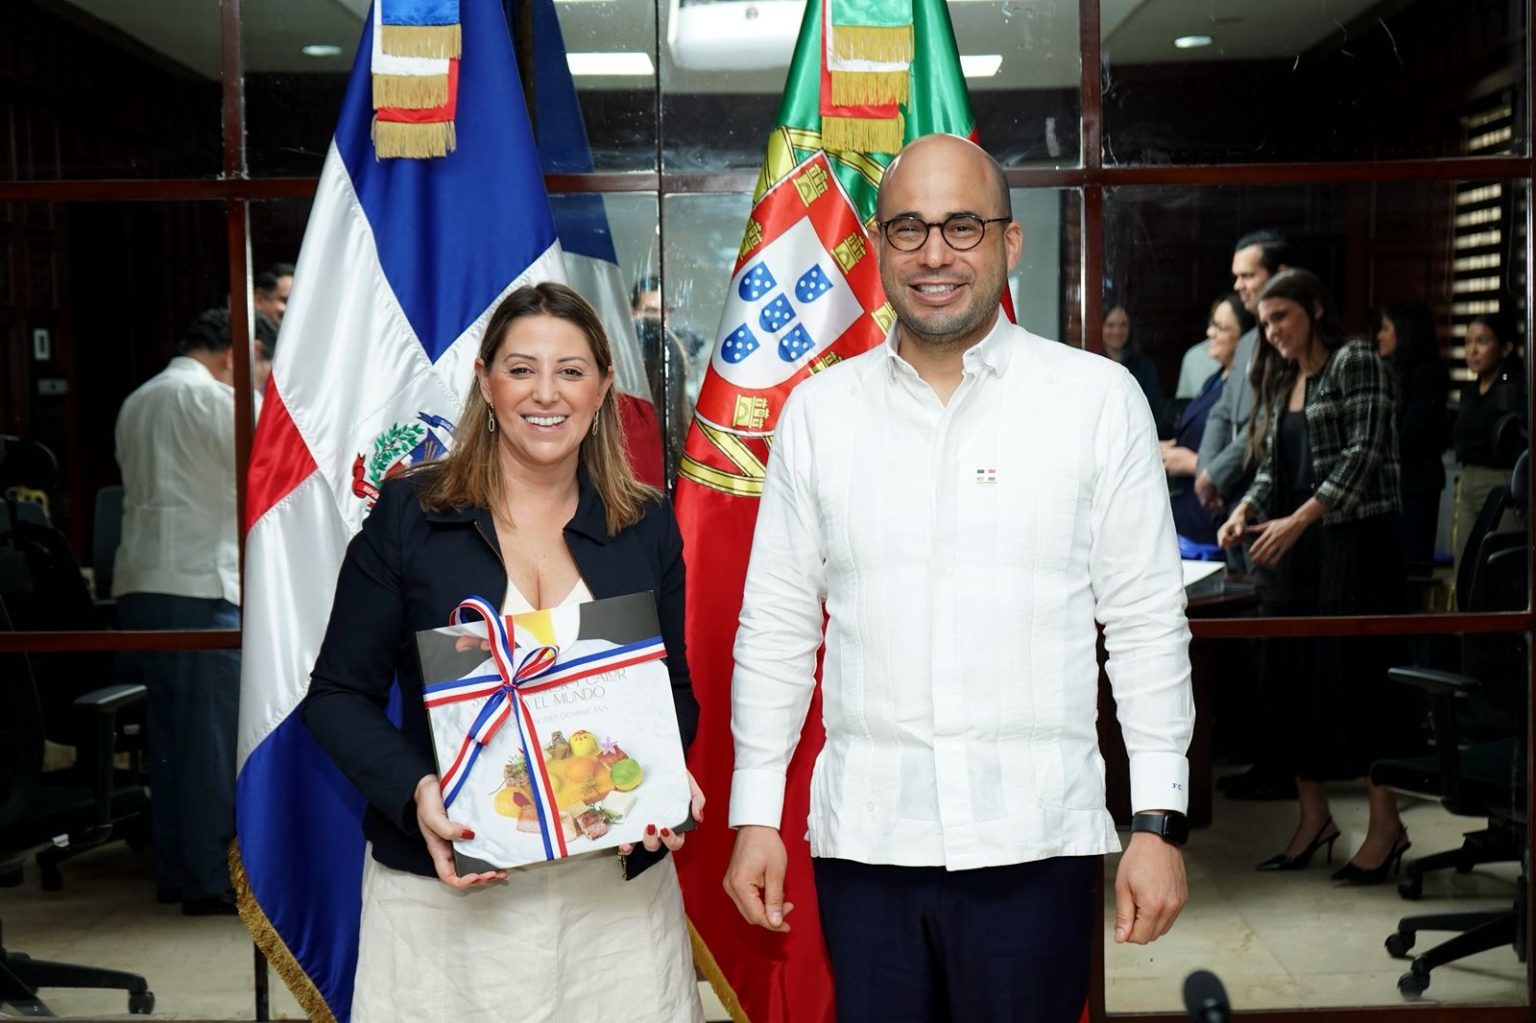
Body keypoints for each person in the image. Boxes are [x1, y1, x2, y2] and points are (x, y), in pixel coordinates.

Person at [722, 134, 1193, 1022]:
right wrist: (757, 813)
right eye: (909, 227)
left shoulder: (1095, 401)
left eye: (962, 226)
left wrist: (1158, 819)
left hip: (1035, 841)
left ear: (1009, 242)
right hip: (868, 844)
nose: (934, 253)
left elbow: (1145, 623)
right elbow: (777, 626)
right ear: (879, 246)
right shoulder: (819, 415)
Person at [302, 282, 706, 1021]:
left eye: (570, 371)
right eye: (521, 369)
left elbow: (672, 689)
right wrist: (418, 791)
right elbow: (336, 695)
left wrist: (660, 777)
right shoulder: (412, 515)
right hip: (447, 898)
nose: (545, 393)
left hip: (612, 905)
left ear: (602, 388)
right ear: (485, 381)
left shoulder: (644, 521)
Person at [1217, 269, 1415, 885]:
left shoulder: (1356, 361)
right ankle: (1314, 820)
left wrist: (1299, 519)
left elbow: (1365, 453)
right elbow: (1275, 469)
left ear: (1316, 309)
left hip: (1356, 544)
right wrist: (1246, 508)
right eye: (1265, 322)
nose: (1273, 330)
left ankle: (1386, 826)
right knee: (1294, 684)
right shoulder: (1284, 379)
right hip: (1300, 548)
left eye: (1282, 316)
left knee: (1361, 685)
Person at [113, 307, 242, 915]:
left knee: (166, 738)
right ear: (232, 356)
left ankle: (174, 869)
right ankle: (210, 879)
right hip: (201, 586)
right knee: (209, 742)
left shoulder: (136, 400)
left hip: (141, 584)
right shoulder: (216, 400)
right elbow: (266, 471)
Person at [1197, 229, 1295, 803]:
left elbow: (1263, 424)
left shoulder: (1283, 337)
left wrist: (1217, 472)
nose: (1237, 286)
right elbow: (1223, 415)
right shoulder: (1254, 339)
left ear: (1277, 275)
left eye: (1247, 275)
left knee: (1272, 645)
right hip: (1239, 503)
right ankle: (1255, 750)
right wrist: (1209, 470)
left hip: (1272, 509)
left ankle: (1276, 763)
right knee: (1249, 645)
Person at [1161, 293, 1255, 545]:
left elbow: (1250, 450)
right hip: (1186, 515)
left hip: (1215, 516)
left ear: (1245, 339)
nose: (1210, 333)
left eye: (1221, 328)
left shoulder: (1248, 388)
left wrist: (1193, 463)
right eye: (1212, 324)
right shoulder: (1214, 380)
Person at [1451, 311, 1526, 577]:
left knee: (1497, 568)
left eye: (1481, 341)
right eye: (1467, 342)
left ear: (1505, 347)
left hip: (1500, 479)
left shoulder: (1511, 387)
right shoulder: (1469, 391)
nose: (1472, 350)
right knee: (1464, 564)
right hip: (1468, 479)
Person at [1375, 301, 1450, 569]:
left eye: (1385, 329)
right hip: (1393, 483)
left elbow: (1410, 432)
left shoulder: (1427, 374)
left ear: (1405, 332)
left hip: (1416, 483)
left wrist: (1371, 452)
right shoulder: (1392, 372)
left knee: (1411, 566)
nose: (1379, 336)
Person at [1102, 303, 1164, 415]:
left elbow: (1155, 409)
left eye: (1123, 325)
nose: (1117, 331)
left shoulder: (1145, 366)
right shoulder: (1093, 363)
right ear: (1101, 327)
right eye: (1110, 325)